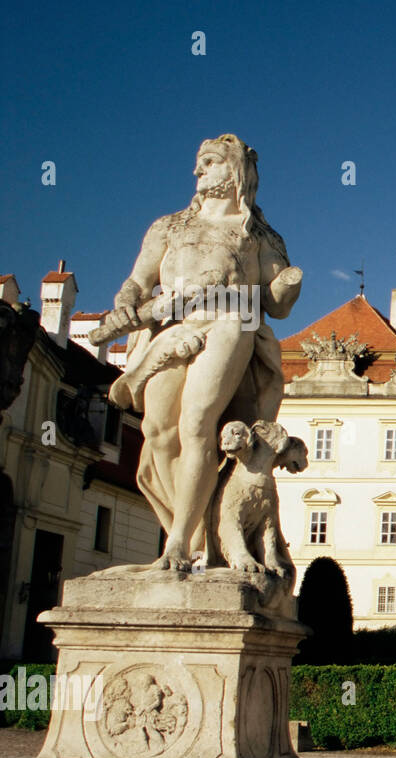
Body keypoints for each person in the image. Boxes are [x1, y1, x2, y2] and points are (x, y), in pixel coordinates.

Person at [99, 135, 301, 571]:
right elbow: (138, 280)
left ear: (234, 172)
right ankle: (196, 538)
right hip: (171, 328)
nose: (198, 171)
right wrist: (126, 301)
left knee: (196, 425)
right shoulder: (169, 227)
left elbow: (277, 305)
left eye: (208, 162)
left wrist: (287, 284)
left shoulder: (257, 234)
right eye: (198, 163)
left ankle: (176, 546)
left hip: (233, 321)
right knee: (158, 432)